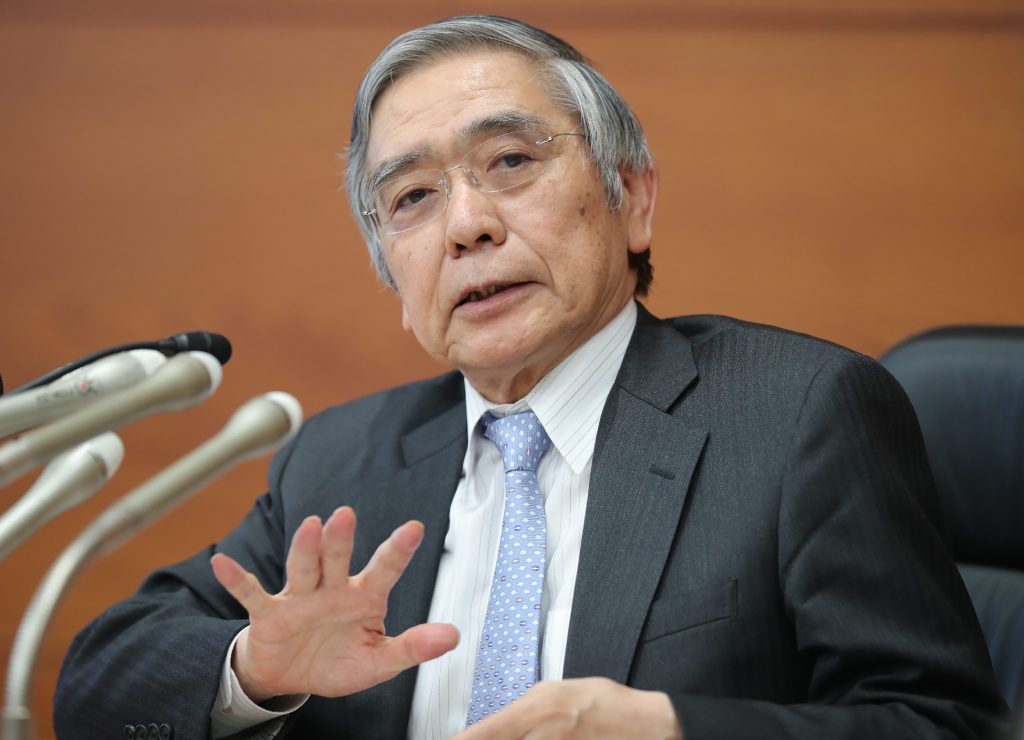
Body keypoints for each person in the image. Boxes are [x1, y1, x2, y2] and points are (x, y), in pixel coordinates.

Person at [55, 15, 1010, 740]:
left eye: (511, 160)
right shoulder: (344, 462)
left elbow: (939, 721)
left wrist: (671, 729)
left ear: (632, 197)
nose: (466, 224)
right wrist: (252, 670)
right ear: (394, 273)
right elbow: (99, 678)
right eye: (413, 198)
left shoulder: (799, 414)